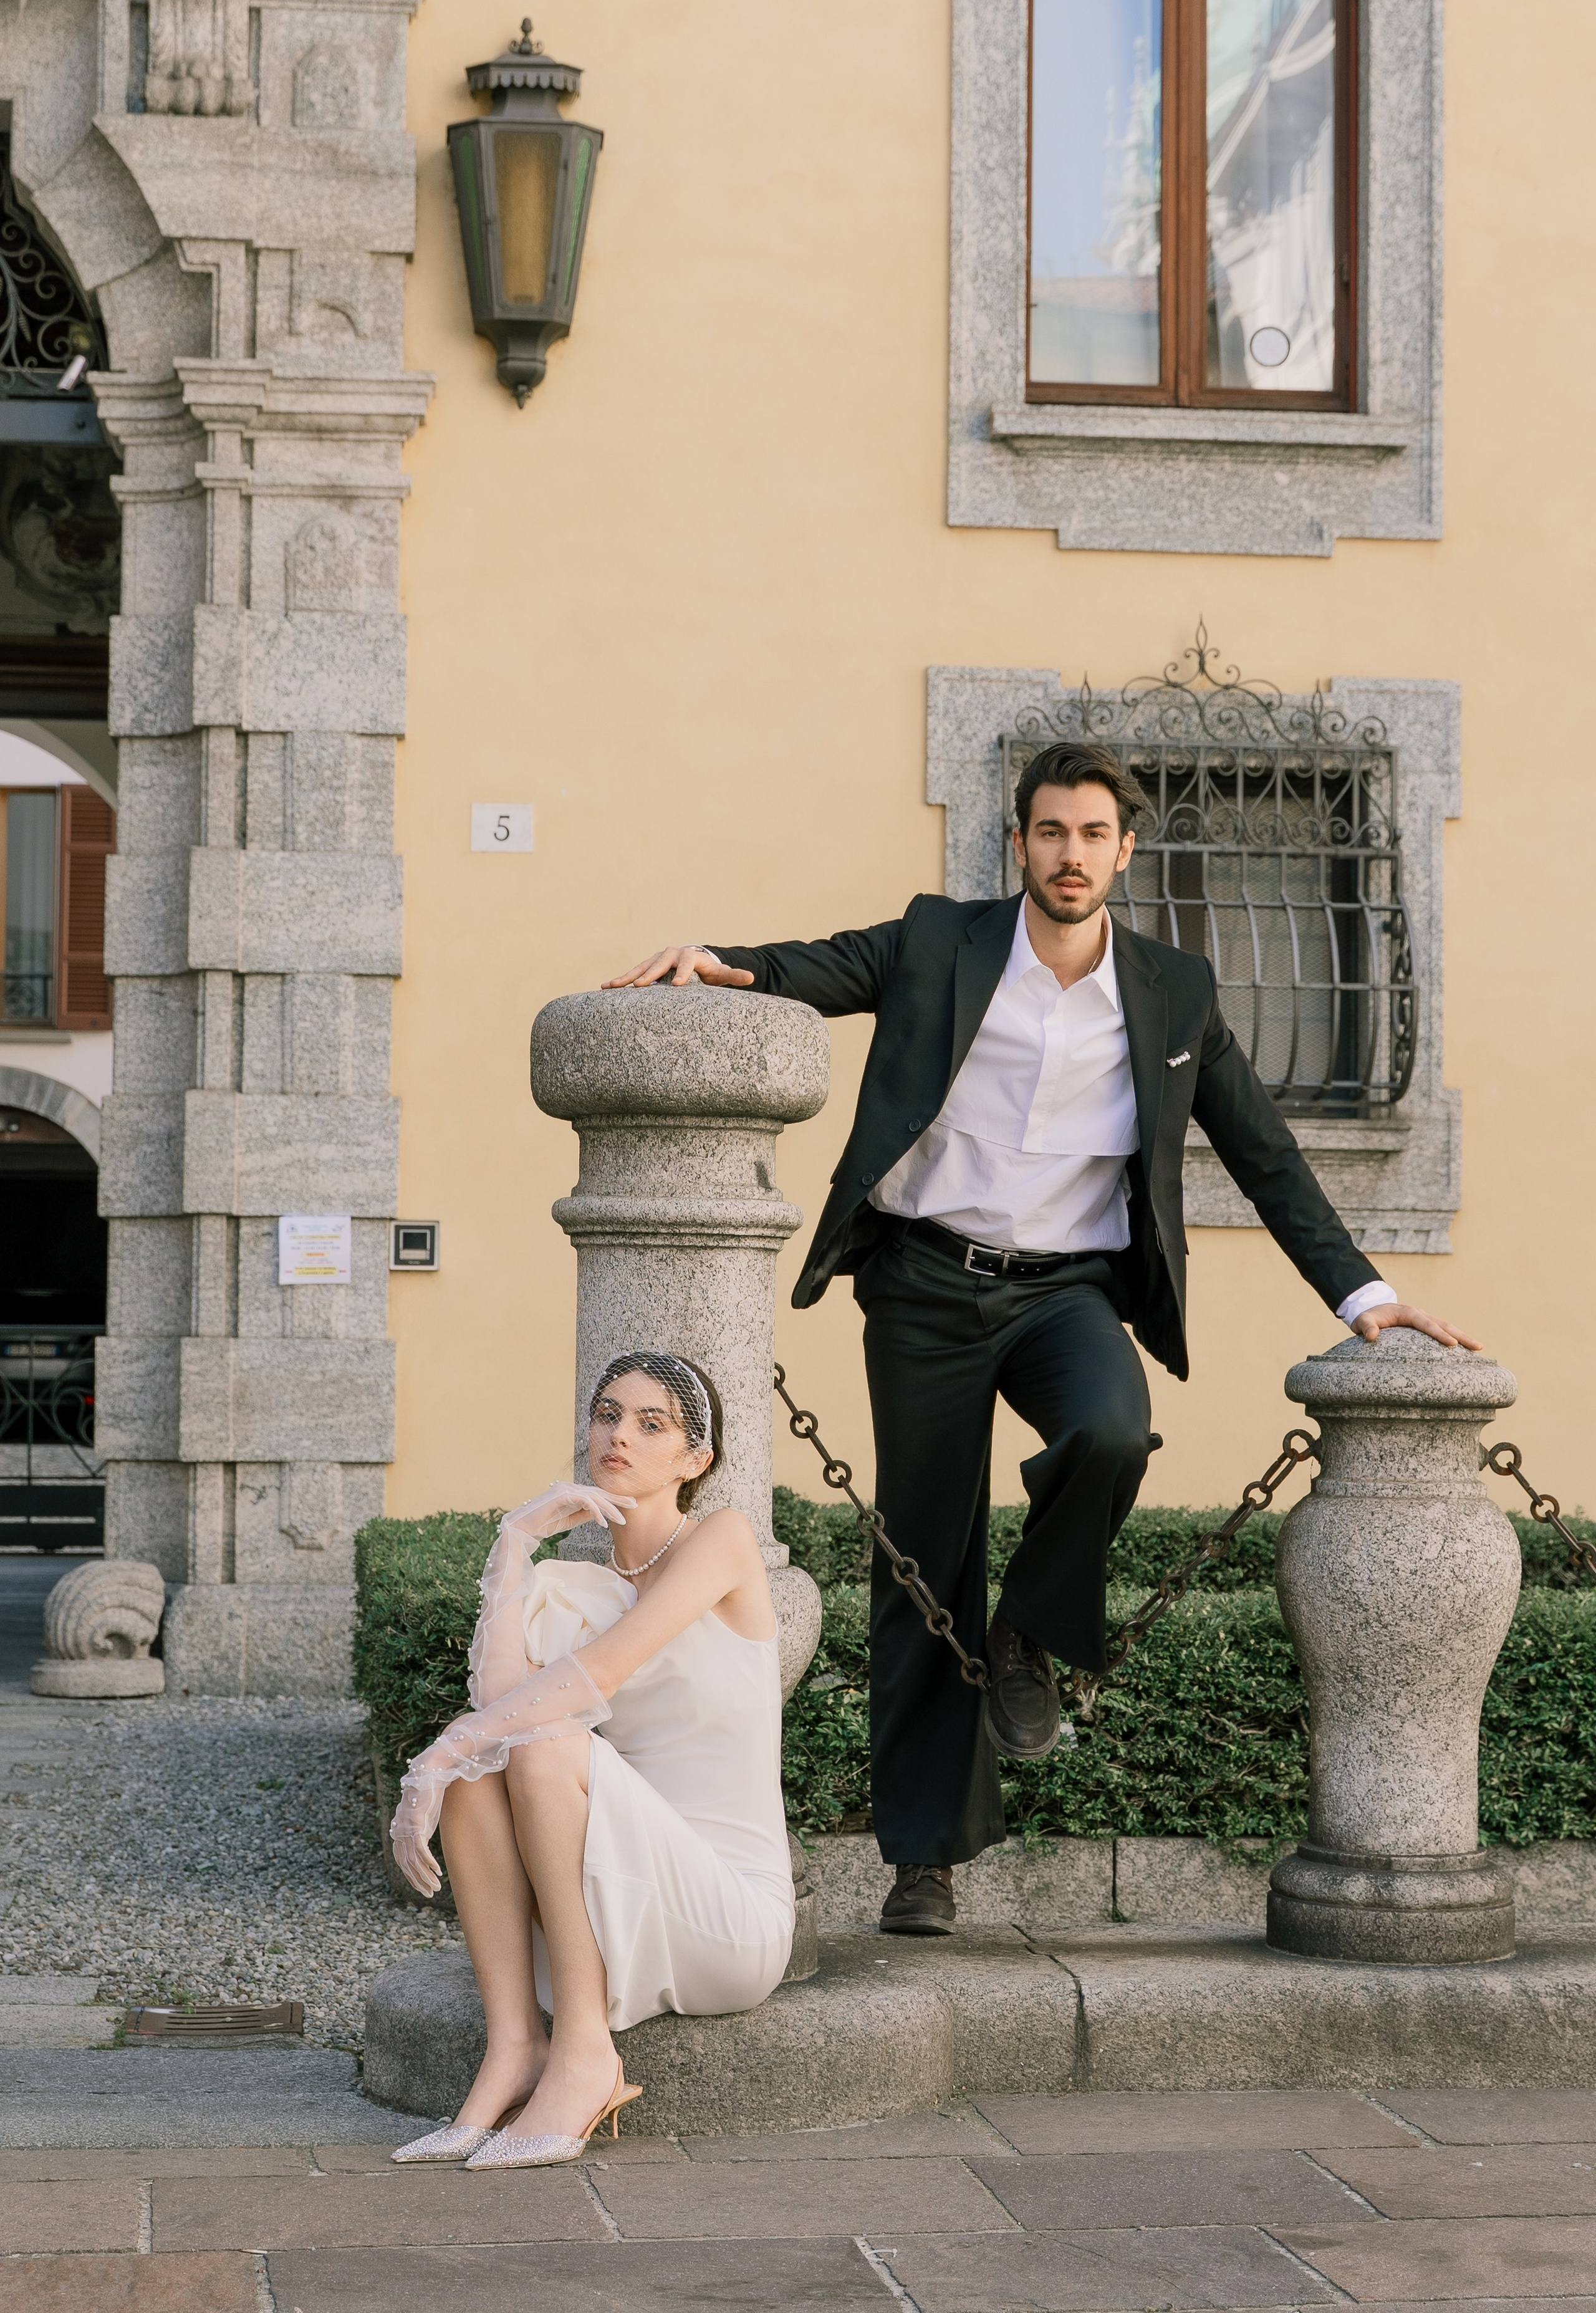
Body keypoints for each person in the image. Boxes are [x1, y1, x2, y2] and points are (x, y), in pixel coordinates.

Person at [604, 740, 1480, 1939]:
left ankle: (1031, 1630)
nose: (1072, 856)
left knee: (1112, 1431)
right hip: (921, 1286)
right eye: (1051, 833)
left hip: (1065, 1291)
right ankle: (925, 1861)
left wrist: (1365, 1296)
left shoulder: (1174, 991)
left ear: (1127, 850)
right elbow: (817, 967)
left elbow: (1264, 1152)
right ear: (1018, 844)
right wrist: (719, 965)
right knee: (924, 1561)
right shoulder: (938, 942)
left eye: (1094, 836)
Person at [388, 1350, 794, 2168]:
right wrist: (515, 1542)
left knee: (536, 1746)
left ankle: (585, 2053)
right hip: (618, 1900)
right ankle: (515, 2050)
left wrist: (428, 1761)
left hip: (728, 1917)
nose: (620, 1435)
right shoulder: (580, 1586)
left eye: (653, 1424)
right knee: (486, 1771)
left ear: (695, 1460)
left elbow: (596, 1678)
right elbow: (500, 1705)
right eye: (608, 1413)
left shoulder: (721, 1541)